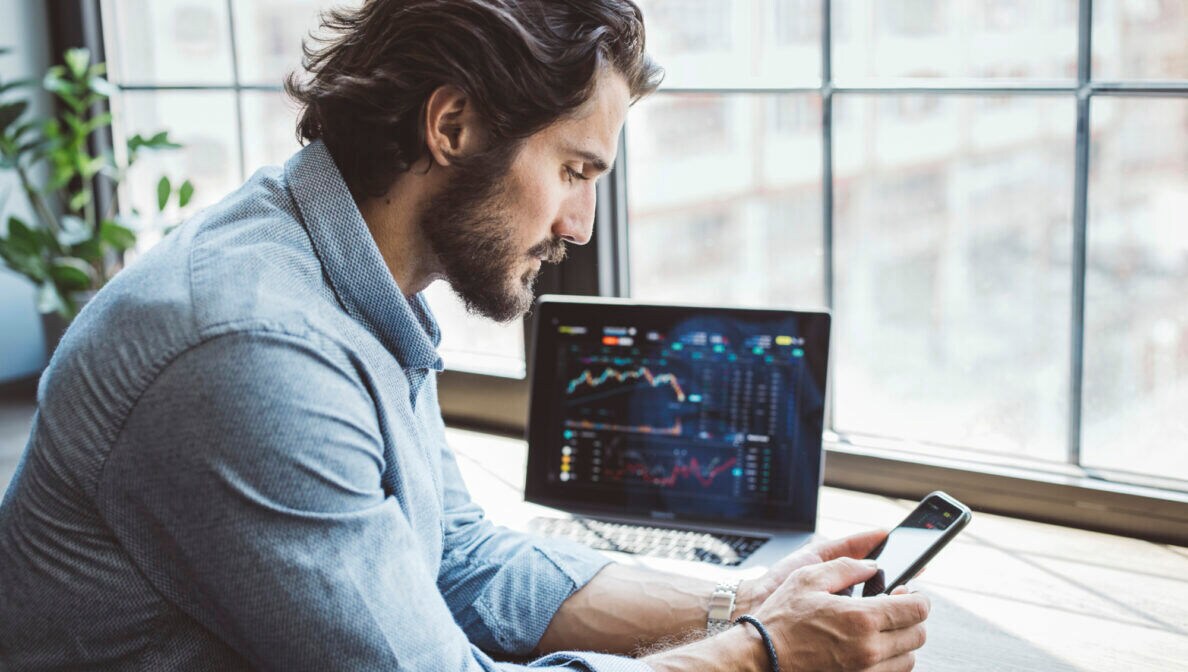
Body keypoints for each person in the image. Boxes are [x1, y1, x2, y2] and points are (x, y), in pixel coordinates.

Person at [0, 1, 929, 670]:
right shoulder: (250, 350)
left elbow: (463, 561)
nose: (581, 227)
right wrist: (761, 656)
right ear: (452, 124)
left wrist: (749, 601)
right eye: (573, 169)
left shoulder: (346, 281)